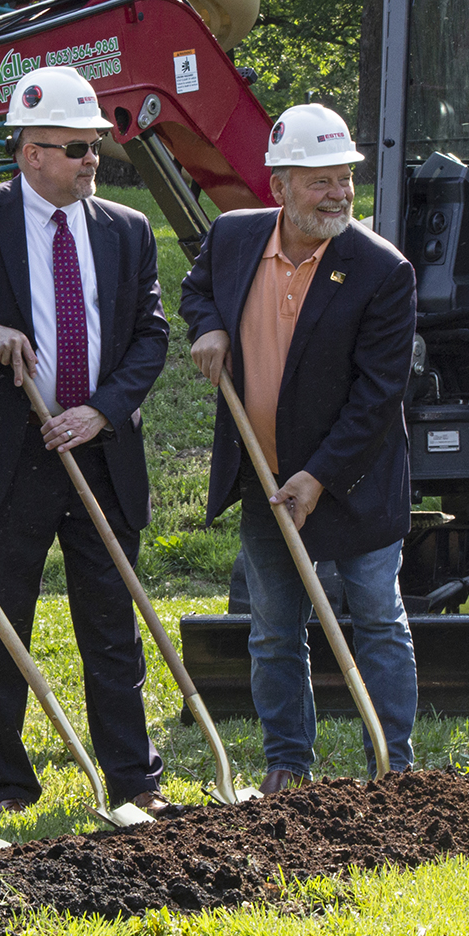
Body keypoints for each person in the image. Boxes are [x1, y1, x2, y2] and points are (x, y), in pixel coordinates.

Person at [180, 103, 417, 793]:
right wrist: (210, 327)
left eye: (345, 178)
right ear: (279, 186)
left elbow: (379, 395)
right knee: (276, 628)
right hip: (264, 475)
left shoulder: (380, 270)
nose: (339, 193)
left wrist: (318, 476)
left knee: (375, 616)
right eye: (321, 181)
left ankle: (394, 769)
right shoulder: (232, 238)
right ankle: (287, 764)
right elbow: (198, 291)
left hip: (354, 477)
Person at [0, 67, 170, 816]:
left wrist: (103, 411)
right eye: (78, 149)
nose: (93, 161)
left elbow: (151, 336)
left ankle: (133, 780)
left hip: (101, 456)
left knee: (112, 626)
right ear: (31, 153)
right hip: (7, 457)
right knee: (1, 631)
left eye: (95, 149)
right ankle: (8, 788)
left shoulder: (127, 229)